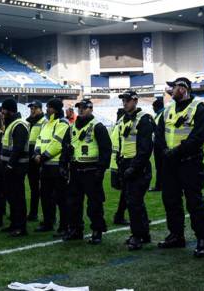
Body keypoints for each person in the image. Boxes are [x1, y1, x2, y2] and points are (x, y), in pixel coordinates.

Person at [155, 77, 204, 257]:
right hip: (170, 163)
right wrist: (164, 150)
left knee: (194, 202)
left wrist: (176, 151)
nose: (171, 90)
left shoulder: (199, 108)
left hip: (190, 162)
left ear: (185, 89)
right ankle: (176, 235)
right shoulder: (167, 110)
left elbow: (198, 137)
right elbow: (160, 133)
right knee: (171, 201)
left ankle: (202, 238)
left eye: (175, 87)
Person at [65, 99, 111, 243]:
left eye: (84, 108)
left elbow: (106, 150)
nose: (81, 110)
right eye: (79, 108)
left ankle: (97, 231)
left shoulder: (98, 126)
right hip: (75, 169)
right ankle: (75, 229)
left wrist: (101, 170)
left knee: (94, 204)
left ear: (91, 109)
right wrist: (62, 165)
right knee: (73, 203)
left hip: (92, 171)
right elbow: (65, 147)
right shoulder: (71, 127)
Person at [116, 90, 155, 250]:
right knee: (135, 201)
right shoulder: (123, 119)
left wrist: (134, 167)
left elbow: (145, 148)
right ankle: (143, 234)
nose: (124, 103)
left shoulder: (144, 119)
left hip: (138, 166)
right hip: (127, 163)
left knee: (134, 203)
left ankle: (137, 235)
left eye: (127, 100)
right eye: (123, 100)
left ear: (135, 101)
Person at [34, 98, 71, 237]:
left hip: (57, 166)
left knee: (60, 198)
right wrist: (37, 152)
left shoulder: (62, 123)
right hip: (45, 165)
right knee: (45, 196)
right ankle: (48, 222)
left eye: (49, 107)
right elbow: (39, 139)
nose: (46, 110)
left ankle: (64, 226)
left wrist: (42, 156)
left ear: (55, 109)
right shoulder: (47, 123)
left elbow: (57, 143)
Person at [0, 98, 31, 237]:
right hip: (10, 166)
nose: (2, 112)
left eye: (4, 110)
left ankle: (20, 227)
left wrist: (11, 164)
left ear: (9, 110)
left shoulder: (19, 125)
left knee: (18, 198)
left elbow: (18, 147)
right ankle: (13, 223)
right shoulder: (12, 124)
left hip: (17, 167)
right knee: (11, 197)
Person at [26, 100, 46, 222]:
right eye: (31, 108)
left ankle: (47, 216)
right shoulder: (28, 122)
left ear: (40, 109)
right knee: (34, 188)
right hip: (30, 158)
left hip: (40, 158)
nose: (32, 110)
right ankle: (33, 213)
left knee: (43, 189)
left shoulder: (44, 122)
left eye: (34, 108)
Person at [149, 97, 165, 192]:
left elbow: (159, 131)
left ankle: (160, 186)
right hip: (158, 143)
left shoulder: (162, 115)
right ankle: (160, 185)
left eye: (153, 107)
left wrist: (152, 124)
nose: (153, 109)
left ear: (157, 107)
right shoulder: (159, 115)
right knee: (160, 166)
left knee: (160, 166)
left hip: (160, 144)